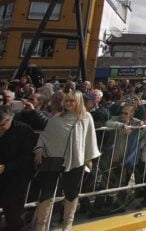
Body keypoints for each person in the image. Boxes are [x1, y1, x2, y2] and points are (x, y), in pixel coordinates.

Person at [33, 90, 100, 231]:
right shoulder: (56, 118)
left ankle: (67, 226)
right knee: (46, 193)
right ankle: (41, 227)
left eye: (72, 100)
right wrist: (39, 149)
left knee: (71, 194)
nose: (68, 103)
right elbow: (45, 136)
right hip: (52, 160)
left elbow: (89, 138)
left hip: (75, 161)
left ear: (79, 101)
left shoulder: (86, 117)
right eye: (67, 100)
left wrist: (88, 157)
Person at [0, 106, 35, 231]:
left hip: (17, 176)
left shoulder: (24, 131)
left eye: (2, 125)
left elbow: (27, 158)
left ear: (10, 120)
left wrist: (6, 167)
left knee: (13, 210)